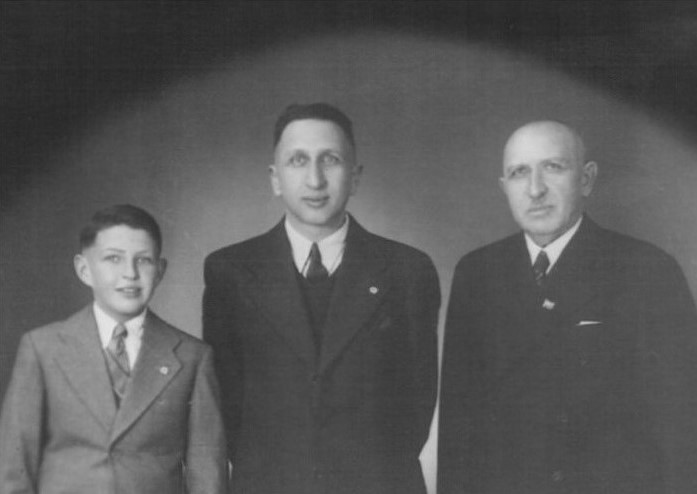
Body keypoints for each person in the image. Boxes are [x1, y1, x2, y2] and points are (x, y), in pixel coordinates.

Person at [438, 120, 697, 494]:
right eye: (519, 172)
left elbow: (682, 428)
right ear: (504, 187)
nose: (535, 189)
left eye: (553, 167)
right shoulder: (476, 273)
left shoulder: (648, 269)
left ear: (586, 179)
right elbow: (457, 427)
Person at [203, 103, 440, 494]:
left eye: (330, 159)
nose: (315, 180)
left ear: (355, 176)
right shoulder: (230, 271)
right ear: (275, 178)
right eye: (298, 160)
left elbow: (416, 405)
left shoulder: (407, 270)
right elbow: (226, 403)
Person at [0, 204, 227, 494]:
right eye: (113, 259)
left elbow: (207, 472)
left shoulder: (192, 357)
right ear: (84, 269)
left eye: (143, 260)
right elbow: (14, 468)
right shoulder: (42, 348)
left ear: (160, 271)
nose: (130, 273)